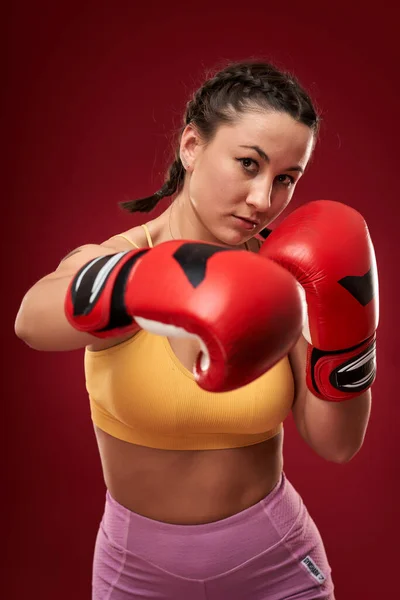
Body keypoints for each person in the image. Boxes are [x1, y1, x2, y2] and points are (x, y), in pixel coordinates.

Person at [14, 60, 378, 600]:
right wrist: (147, 284)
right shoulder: (121, 259)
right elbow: (30, 320)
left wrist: (352, 332)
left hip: (277, 566)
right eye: (247, 164)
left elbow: (337, 443)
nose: (263, 200)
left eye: (285, 179)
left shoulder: (286, 281)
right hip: (136, 574)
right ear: (191, 146)